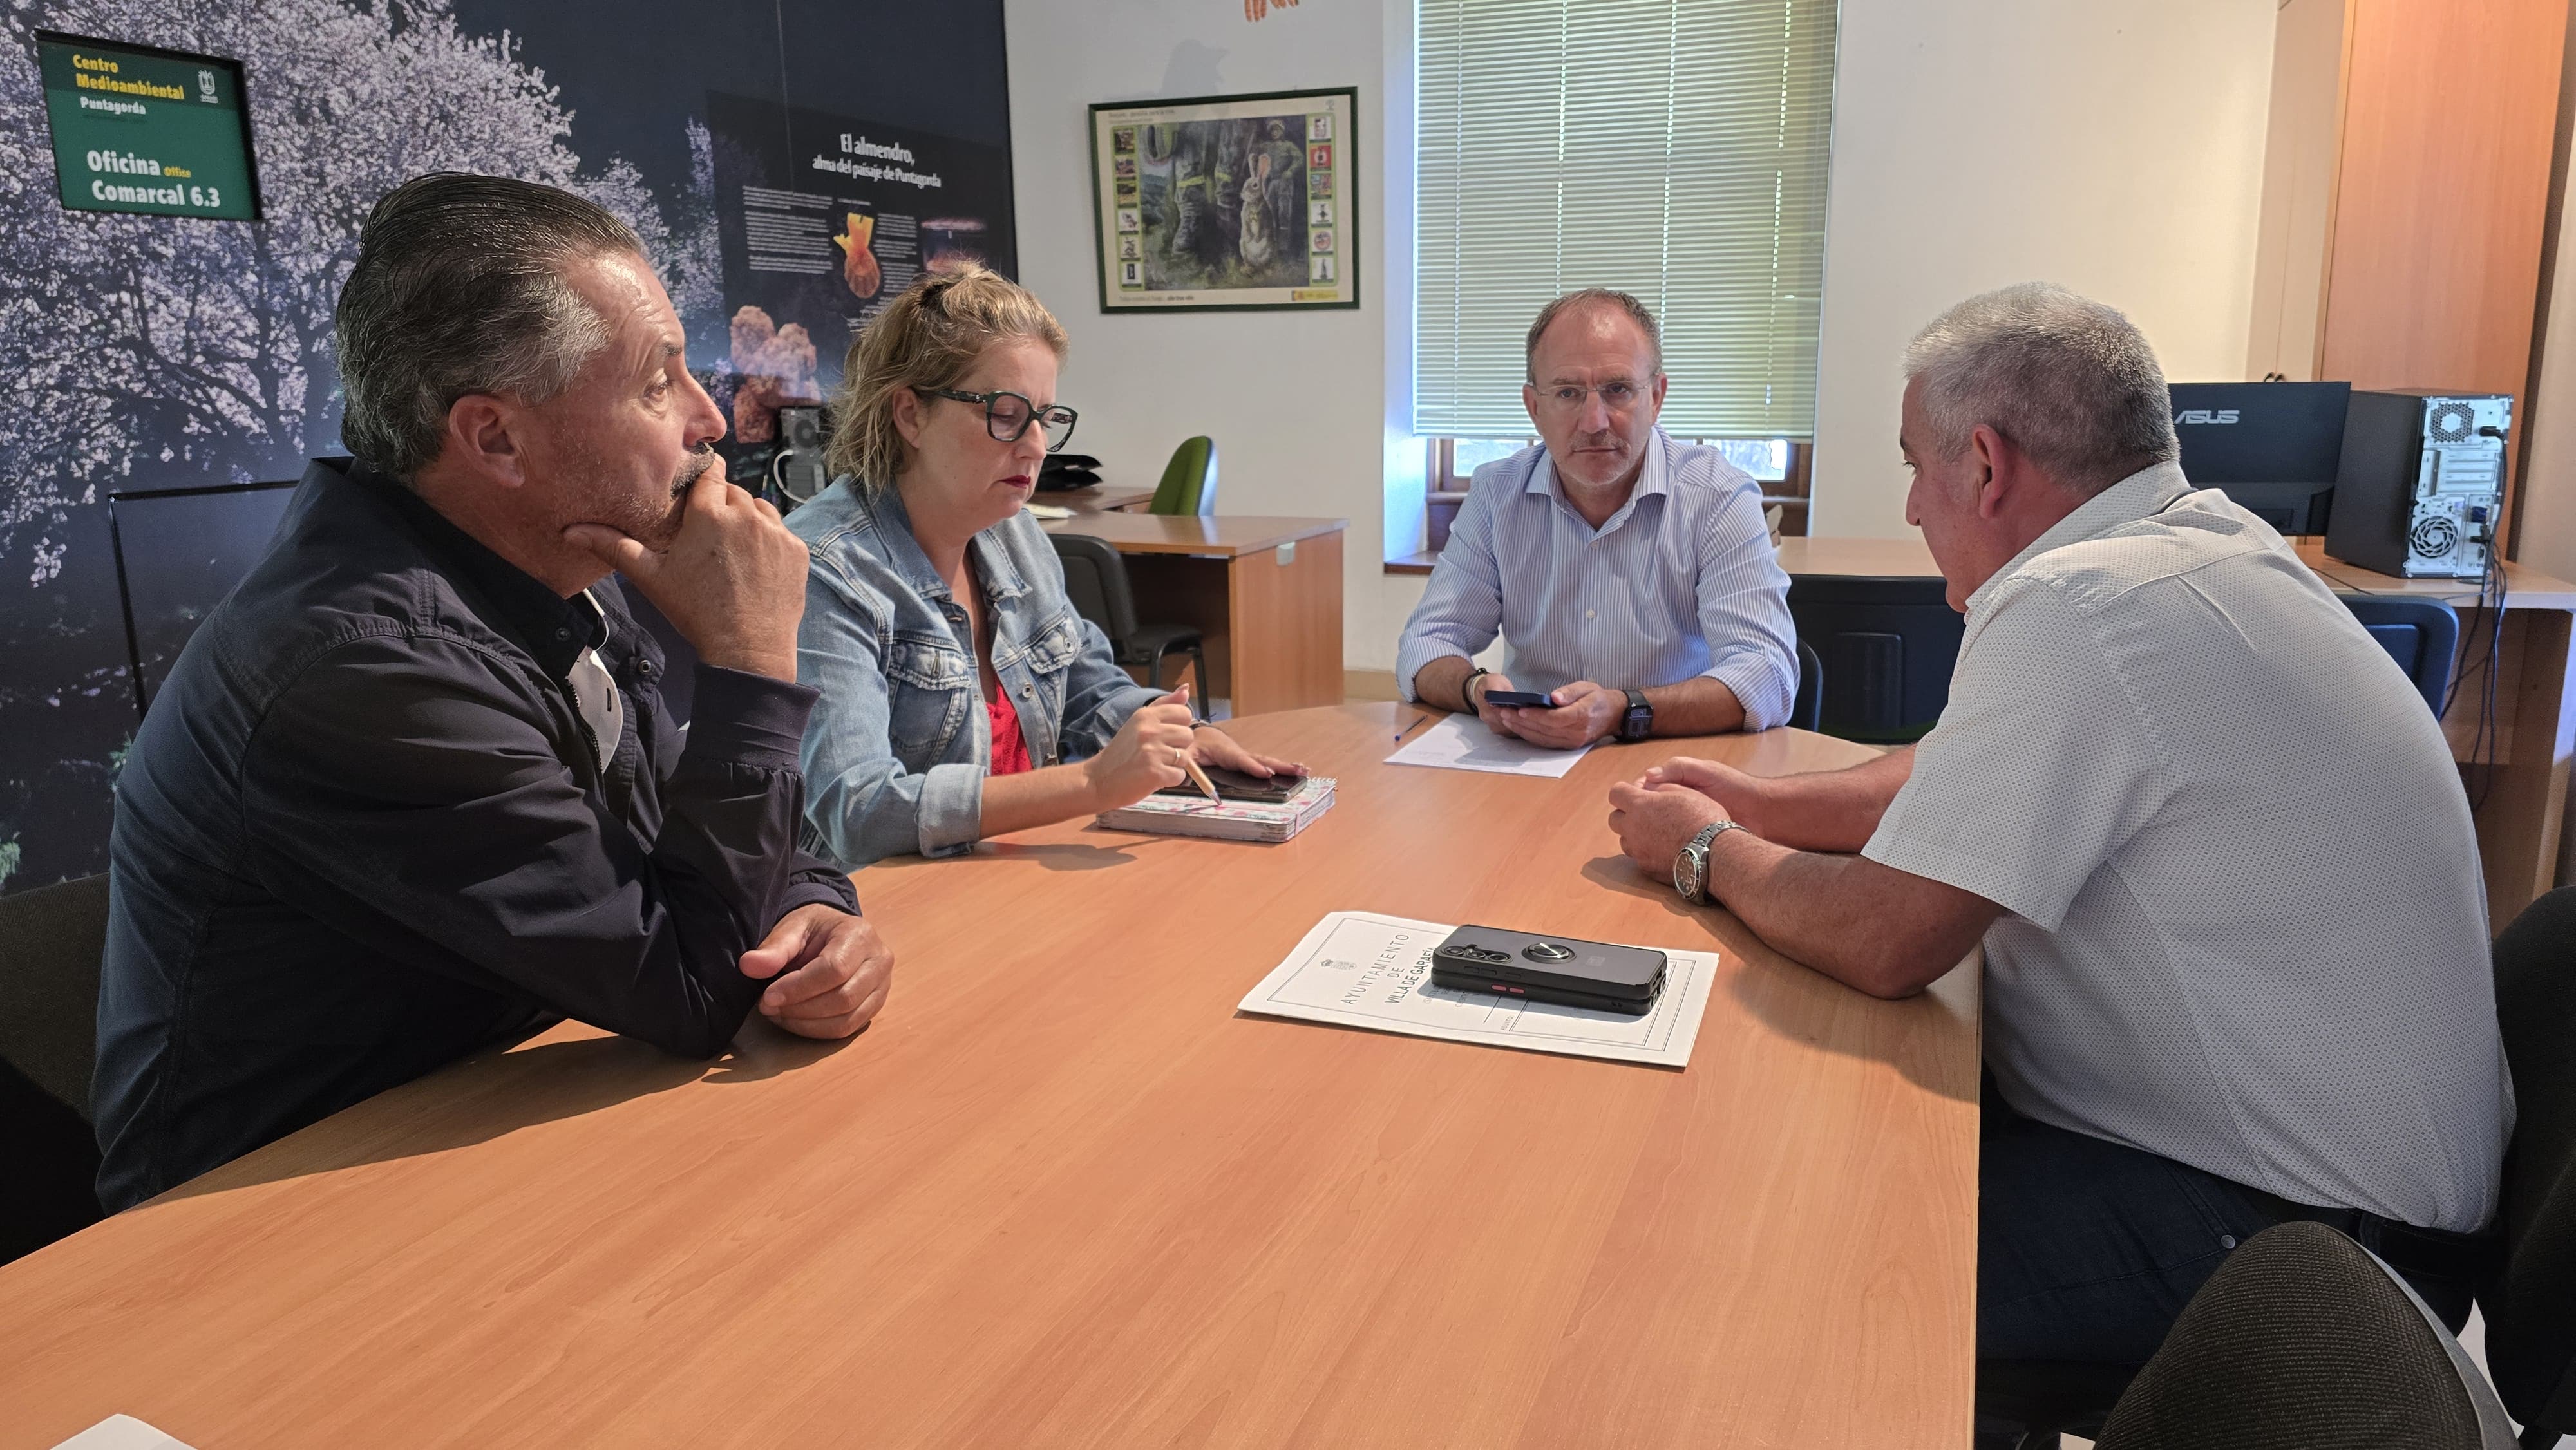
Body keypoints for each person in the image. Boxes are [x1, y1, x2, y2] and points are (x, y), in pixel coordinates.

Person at [1604, 283, 2509, 1439]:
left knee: (1799, 1260)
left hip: (2308, 1252)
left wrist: (1704, 850)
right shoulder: (2198, 548)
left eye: (1915, 468)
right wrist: (1755, 802)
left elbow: (1886, 939)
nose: (1913, 505)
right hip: (2348, 1198)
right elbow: (1950, 772)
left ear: (1986, 465)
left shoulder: (2083, 605)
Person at [93, 174, 893, 1212]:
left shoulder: (541, 574)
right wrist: (750, 659)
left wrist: (815, 910)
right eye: (657, 384)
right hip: (268, 1224)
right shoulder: (367, 668)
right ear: (495, 439)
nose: (708, 417)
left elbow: (695, 848)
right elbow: (696, 984)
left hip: (496, 1132)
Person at [789, 265, 1301, 868]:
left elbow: (1086, 687)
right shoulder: (823, 569)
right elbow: (859, 811)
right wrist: (1090, 784)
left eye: (1046, 418)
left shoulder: (1014, 533)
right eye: (1005, 414)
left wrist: (1177, 734)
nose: (1035, 447)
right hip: (883, 905)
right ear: (910, 414)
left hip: (997, 876)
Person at [1394, 288, 1798, 748]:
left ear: (1657, 397)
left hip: (1669, 755)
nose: (1594, 422)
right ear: (1534, 408)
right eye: (1568, 393)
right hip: (1531, 759)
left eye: (1617, 390)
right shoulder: (1496, 494)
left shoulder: (1717, 497)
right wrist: (1475, 691)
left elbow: (1768, 675)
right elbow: (1426, 643)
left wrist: (1624, 712)